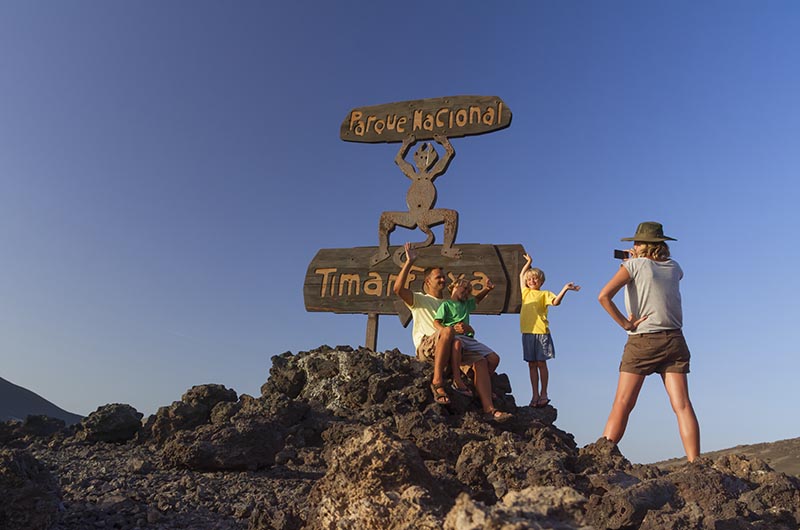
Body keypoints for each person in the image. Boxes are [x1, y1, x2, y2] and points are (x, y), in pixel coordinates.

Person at [597, 221, 700, 461]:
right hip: (675, 339)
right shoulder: (675, 267)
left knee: (623, 403)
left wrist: (625, 323)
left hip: (642, 341)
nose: (633, 245)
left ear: (646, 245)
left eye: (637, 242)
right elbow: (658, 277)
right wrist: (638, 262)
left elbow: (603, 296)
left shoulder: (633, 265)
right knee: (682, 405)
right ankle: (696, 462)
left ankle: (601, 459)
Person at [393, 243, 509, 421]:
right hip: (429, 346)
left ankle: (489, 409)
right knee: (447, 331)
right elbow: (398, 289)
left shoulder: (451, 304)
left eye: (443, 277)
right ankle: (437, 382)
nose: (442, 280)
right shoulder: (419, 299)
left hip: (454, 345)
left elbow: (474, 303)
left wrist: (468, 328)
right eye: (438, 277)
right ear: (428, 281)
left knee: (481, 361)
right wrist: (409, 262)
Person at [433, 277, 511, 421]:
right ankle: (457, 379)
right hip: (455, 336)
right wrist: (445, 331)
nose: (467, 292)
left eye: (469, 290)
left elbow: (477, 299)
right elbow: (436, 322)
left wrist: (487, 289)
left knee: (494, 358)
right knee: (456, 344)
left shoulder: (466, 304)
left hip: (468, 338)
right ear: (455, 286)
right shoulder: (446, 305)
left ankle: (477, 384)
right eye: (465, 288)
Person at [519, 253, 581, 408]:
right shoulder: (525, 292)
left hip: (541, 332)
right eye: (530, 279)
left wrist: (565, 289)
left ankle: (544, 393)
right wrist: (529, 262)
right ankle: (534, 395)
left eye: (535, 279)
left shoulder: (544, 293)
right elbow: (521, 275)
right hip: (527, 332)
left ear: (541, 281)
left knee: (541, 363)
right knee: (531, 364)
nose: (532, 281)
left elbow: (555, 302)